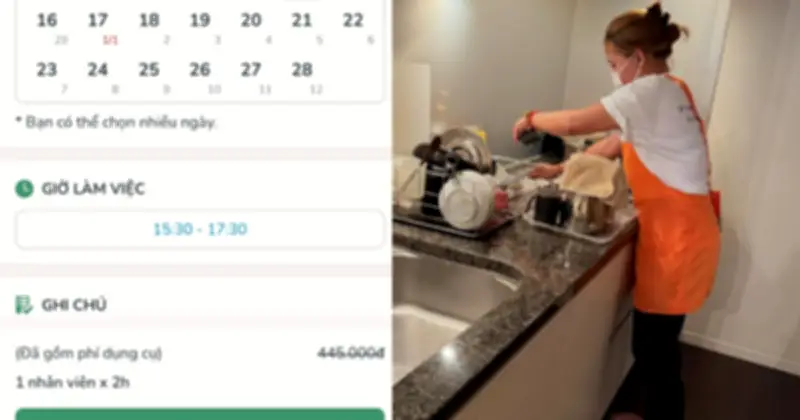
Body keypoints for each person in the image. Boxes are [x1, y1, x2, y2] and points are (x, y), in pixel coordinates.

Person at [513, 3, 721, 420]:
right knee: (658, 348)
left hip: (676, 242)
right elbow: (612, 143)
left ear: (637, 57)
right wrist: (560, 168)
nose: (612, 72)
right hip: (686, 233)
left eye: (613, 63)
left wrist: (532, 118)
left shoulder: (647, 92)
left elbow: (574, 124)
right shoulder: (672, 88)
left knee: (655, 354)